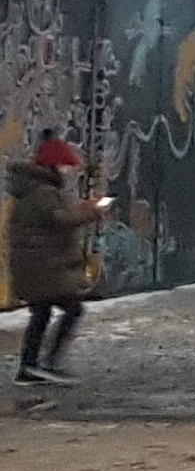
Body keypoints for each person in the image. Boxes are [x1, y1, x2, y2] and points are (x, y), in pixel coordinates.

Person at [12, 136, 112, 384]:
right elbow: (61, 221)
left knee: (42, 311)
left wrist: (84, 208)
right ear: (53, 165)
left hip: (36, 264)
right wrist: (93, 212)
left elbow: (55, 218)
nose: (68, 171)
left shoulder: (34, 189)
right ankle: (48, 363)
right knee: (72, 309)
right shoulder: (45, 192)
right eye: (65, 165)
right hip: (45, 265)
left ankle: (30, 366)